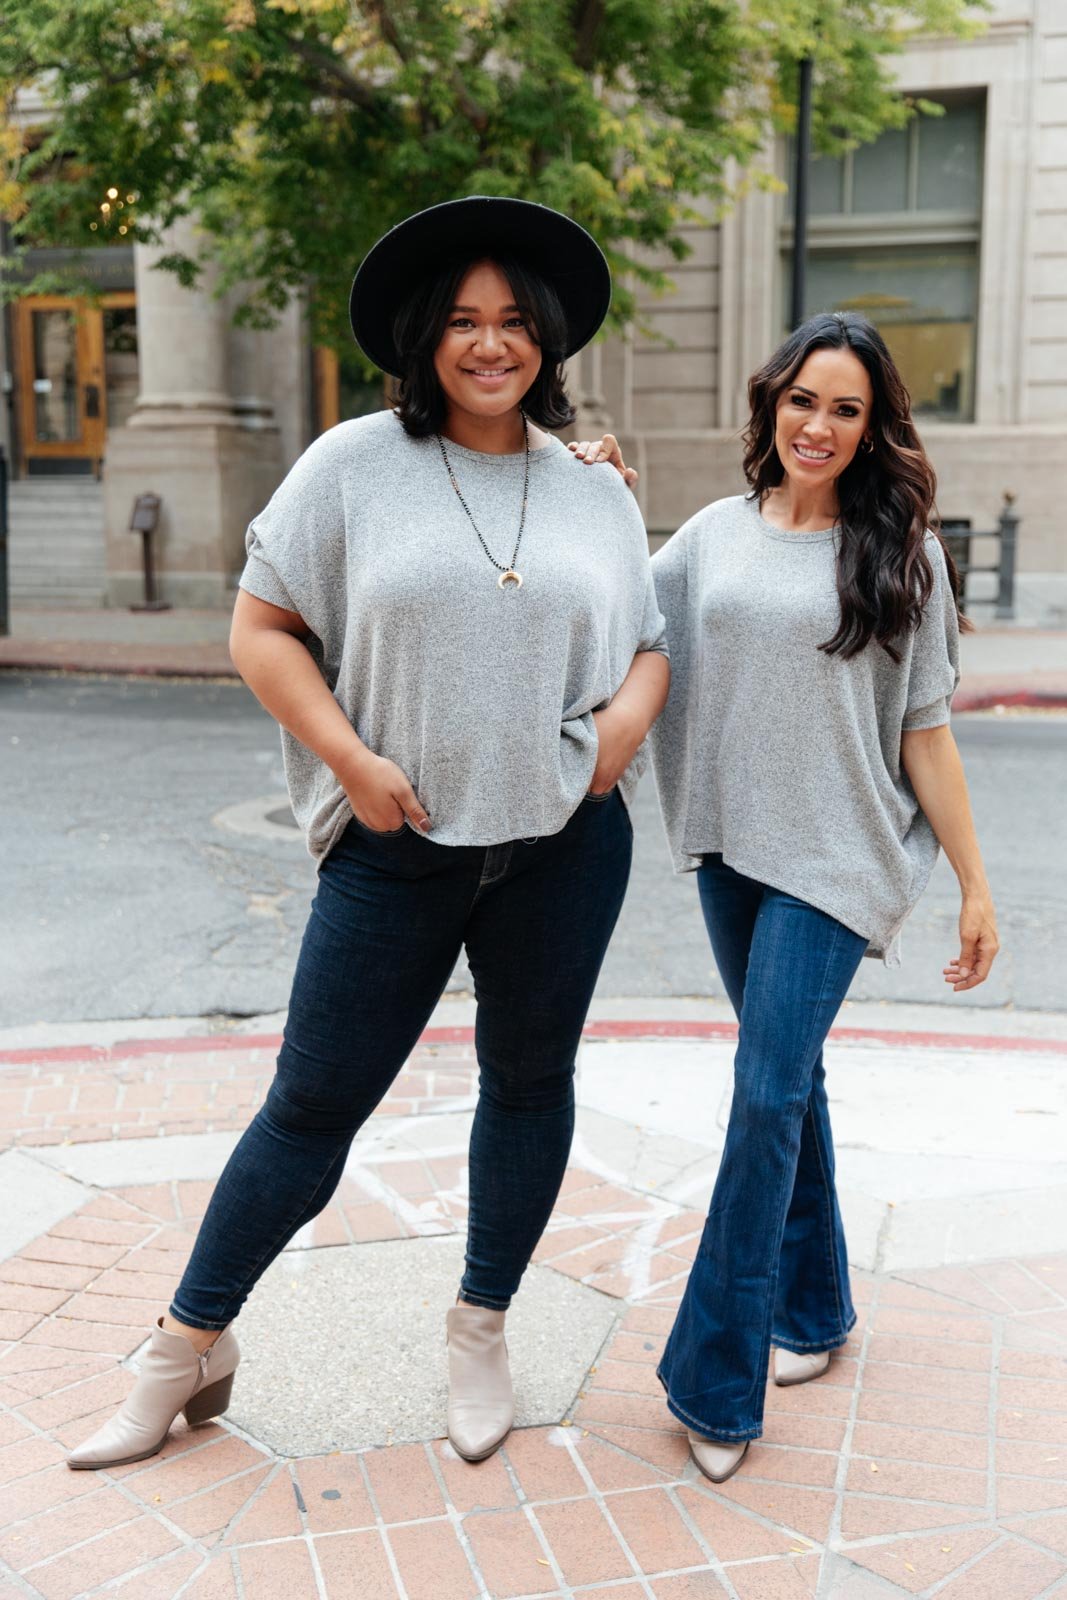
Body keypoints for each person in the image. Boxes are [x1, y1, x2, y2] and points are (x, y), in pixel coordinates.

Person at [68, 197, 669, 1472]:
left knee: (526, 1085)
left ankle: (478, 1328)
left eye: (513, 322)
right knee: (309, 1108)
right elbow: (261, 627)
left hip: (562, 849)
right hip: (395, 849)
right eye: (462, 320)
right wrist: (351, 760)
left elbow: (649, 647)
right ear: (423, 337)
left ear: (546, 340)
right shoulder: (350, 464)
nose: (489, 344)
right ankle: (184, 1346)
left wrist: (614, 736)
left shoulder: (594, 490)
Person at [569, 310, 998, 1483]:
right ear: (770, 406)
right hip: (730, 846)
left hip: (838, 859)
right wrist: (593, 483)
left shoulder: (901, 553)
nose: (819, 425)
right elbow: (613, 602)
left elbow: (924, 728)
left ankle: (716, 1377)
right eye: (803, 400)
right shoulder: (708, 536)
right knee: (789, 1079)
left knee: (760, 1095)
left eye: (845, 409)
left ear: (872, 429)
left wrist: (970, 881)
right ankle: (813, 1309)